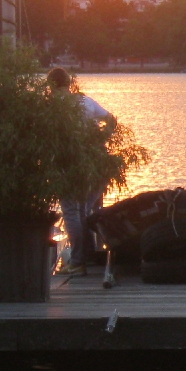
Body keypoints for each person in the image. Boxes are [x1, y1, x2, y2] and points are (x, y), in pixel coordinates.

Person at [48, 67, 117, 274]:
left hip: (70, 162)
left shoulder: (52, 106)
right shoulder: (85, 101)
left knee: (71, 210)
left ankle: (78, 261)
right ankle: (89, 256)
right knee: (85, 210)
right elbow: (112, 120)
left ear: (51, 86)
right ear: (69, 83)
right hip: (97, 161)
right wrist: (102, 138)